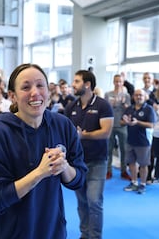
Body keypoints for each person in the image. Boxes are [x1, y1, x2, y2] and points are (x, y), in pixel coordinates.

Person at [0, 63, 87, 239]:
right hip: (11, 233)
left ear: (48, 91)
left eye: (40, 85)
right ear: (12, 96)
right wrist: (39, 173)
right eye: (26, 87)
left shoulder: (63, 126)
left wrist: (64, 167)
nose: (35, 92)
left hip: (52, 231)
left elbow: (79, 179)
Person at [65, 70, 114, 239]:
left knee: (94, 201)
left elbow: (106, 132)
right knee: (82, 202)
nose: (73, 84)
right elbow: (67, 133)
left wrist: (84, 135)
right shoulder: (71, 106)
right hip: (77, 162)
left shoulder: (103, 105)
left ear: (87, 84)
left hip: (97, 161)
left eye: (77, 81)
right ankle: (84, 234)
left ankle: (94, 237)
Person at [122, 89, 156, 194]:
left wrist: (138, 122)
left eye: (140, 95)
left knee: (143, 164)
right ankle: (134, 182)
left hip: (143, 142)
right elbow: (121, 121)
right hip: (130, 140)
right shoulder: (129, 109)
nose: (138, 97)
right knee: (131, 163)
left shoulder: (149, 109)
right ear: (133, 97)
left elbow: (151, 125)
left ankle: (143, 184)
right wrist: (125, 121)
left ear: (145, 96)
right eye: (136, 95)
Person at [105, 74, 131, 180]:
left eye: (120, 81)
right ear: (113, 82)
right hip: (110, 125)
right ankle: (108, 170)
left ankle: (124, 171)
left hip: (122, 125)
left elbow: (130, 110)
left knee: (124, 149)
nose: (118, 83)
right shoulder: (108, 94)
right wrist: (112, 104)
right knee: (108, 149)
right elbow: (104, 109)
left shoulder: (127, 95)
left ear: (123, 82)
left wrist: (125, 104)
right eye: (116, 81)